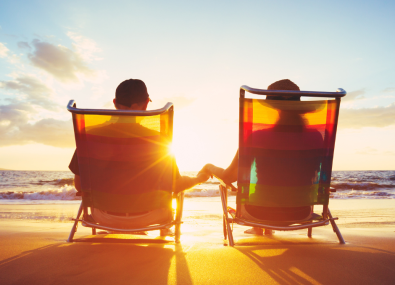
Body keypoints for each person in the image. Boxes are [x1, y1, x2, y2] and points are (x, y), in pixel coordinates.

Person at [69, 79, 210, 234]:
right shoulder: (159, 141)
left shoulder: (90, 137)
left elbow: (79, 185)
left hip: (103, 217)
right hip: (151, 217)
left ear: (115, 103)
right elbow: (175, 185)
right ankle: (161, 230)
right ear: (144, 104)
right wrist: (198, 179)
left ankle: (118, 227)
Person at [200, 79, 320, 235]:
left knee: (259, 192)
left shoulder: (257, 137)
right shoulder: (316, 137)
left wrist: (209, 167)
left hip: (259, 212)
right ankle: (262, 228)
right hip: (302, 212)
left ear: (273, 109)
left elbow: (228, 177)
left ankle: (259, 226)